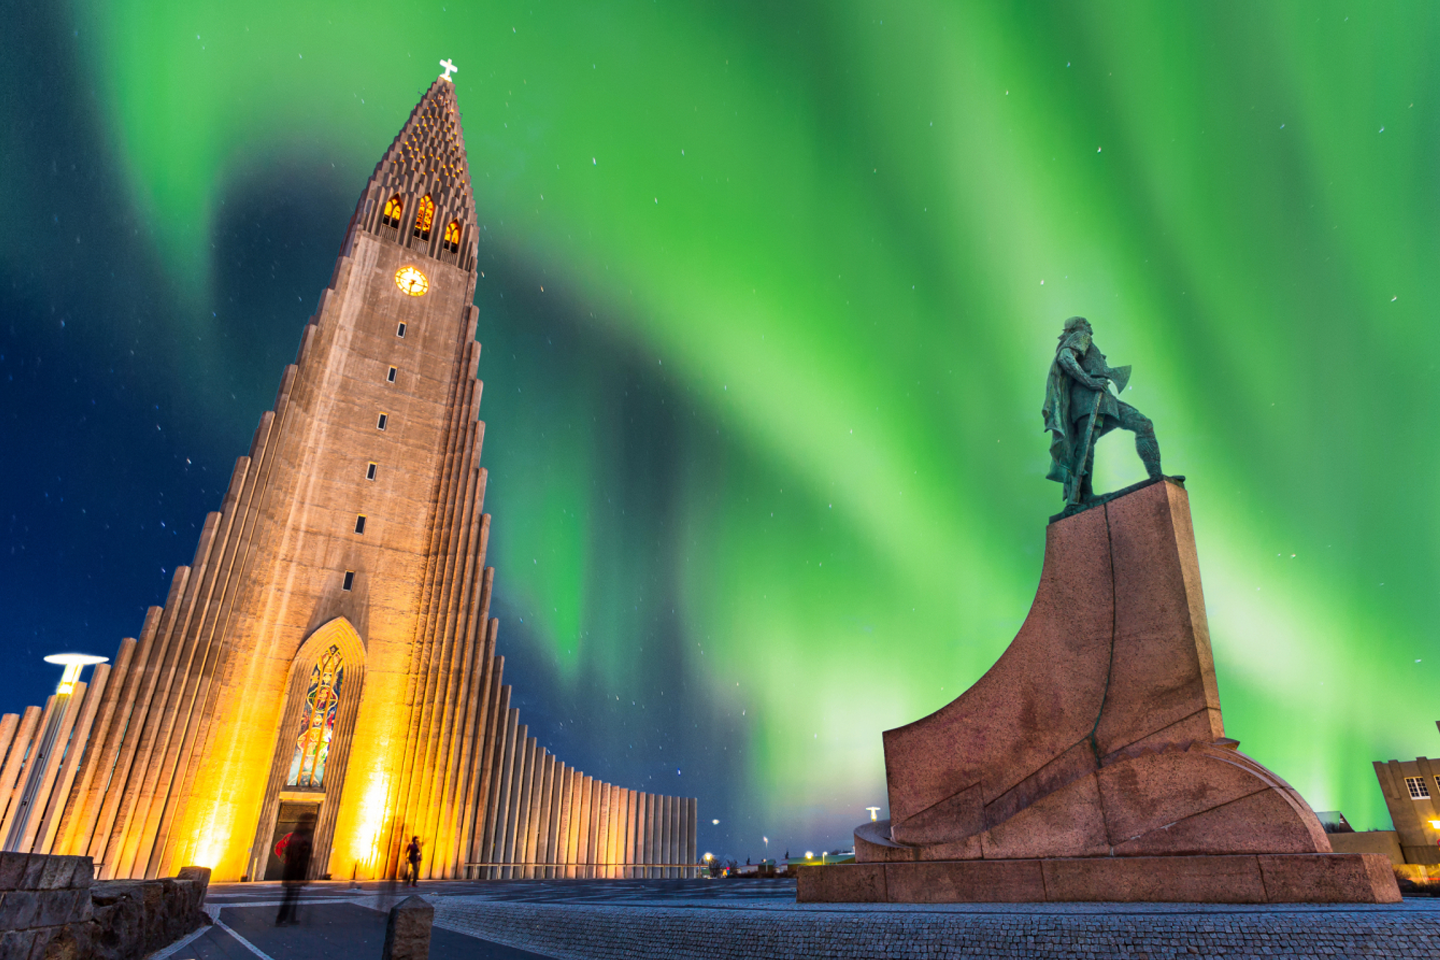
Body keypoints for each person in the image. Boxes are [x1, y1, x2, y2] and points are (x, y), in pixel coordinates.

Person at [1041, 316, 1162, 504]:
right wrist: (1090, 381)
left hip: (1103, 399)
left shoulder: (1085, 340)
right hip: (1089, 400)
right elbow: (1065, 357)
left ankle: (1157, 478)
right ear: (1076, 328)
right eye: (1084, 322)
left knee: (1141, 424)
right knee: (1085, 446)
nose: (1089, 325)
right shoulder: (1080, 336)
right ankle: (1083, 496)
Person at [275, 812, 314, 926]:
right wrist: (298, 874)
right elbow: (296, 855)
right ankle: (281, 919)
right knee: (289, 897)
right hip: (294, 872)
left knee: (293, 896)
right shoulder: (299, 836)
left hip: (297, 872)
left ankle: (290, 917)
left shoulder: (305, 835)